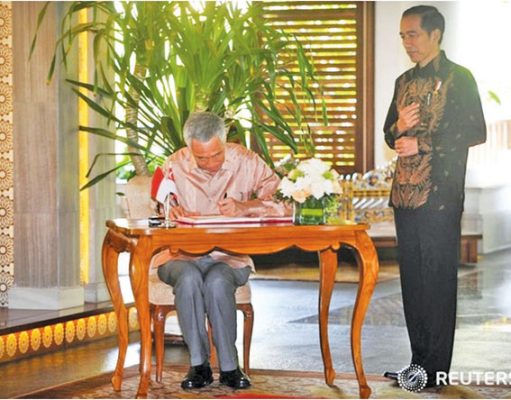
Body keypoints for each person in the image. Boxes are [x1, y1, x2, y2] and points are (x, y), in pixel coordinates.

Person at [382, 5, 486, 387]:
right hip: (405, 196)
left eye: (413, 34)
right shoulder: (403, 81)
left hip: (439, 196)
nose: (407, 42)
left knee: (438, 281)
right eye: (403, 36)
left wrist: (421, 143)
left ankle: (436, 370)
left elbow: (475, 131)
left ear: (435, 35)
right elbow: (390, 134)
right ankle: (418, 366)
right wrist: (399, 127)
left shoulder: (460, 78)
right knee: (413, 282)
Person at [152, 111, 289, 390]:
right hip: (180, 255)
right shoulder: (173, 165)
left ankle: (229, 367)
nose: (211, 163)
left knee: (216, 282)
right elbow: (157, 209)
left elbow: (284, 201)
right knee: (189, 279)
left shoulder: (246, 161)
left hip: (230, 256)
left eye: (216, 155)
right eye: (201, 158)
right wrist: (168, 211)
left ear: (225, 142)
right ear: (189, 148)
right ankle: (199, 365)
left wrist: (246, 207)